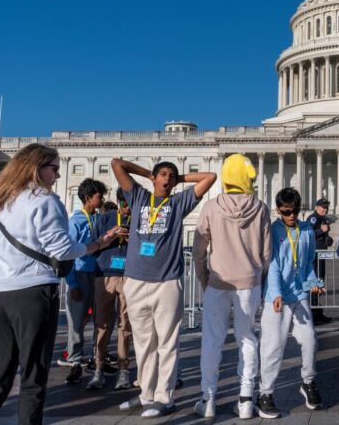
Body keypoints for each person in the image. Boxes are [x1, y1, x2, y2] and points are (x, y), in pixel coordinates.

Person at [0, 144, 119, 424]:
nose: (58, 175)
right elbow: (62, 250)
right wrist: (96, 244)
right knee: (33, 376)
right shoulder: (44, 200)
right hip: (33, 292)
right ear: (36, 168)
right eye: (54, 168)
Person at [111, 157, 216, 418]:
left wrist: (179, 179)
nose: (167, 179)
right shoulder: (138, 197)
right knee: (144, 342)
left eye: (171, 175)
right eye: (163, 175)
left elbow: (210, 177)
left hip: (167, 281)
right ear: (155, 178)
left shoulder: (179, 203)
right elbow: (116, 164)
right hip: (135, 279)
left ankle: (164, 397)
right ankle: (146, 393)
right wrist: (148, 173)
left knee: (167, 343)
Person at [193, 154, 272, 419]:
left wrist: (205, 278)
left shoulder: (211, 207)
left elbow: (199, 248)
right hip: (248, 283)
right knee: (247, 338)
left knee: (212, 340)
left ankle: (208, 398)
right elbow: (266, 253)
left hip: (217, 281)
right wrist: (257, 276)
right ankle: (246, 399)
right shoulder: (260, 207)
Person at [257, 187, 324, 419]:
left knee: (310, 340)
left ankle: (308, 381)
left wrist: (314, 282)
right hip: (277, 298)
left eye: (295, 210)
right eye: (286, 212)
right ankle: (265, 393)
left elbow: (307, 263)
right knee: (273, 347)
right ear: (278, 210)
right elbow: (273, 264)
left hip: (299, 295)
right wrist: (275, 293)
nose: (292, 216)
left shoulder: (306, 230)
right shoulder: (274, 231)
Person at [60, 178, 109, 385]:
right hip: (79, 275)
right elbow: (68, 253)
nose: (102, 198)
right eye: (99, 195)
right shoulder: (76, 221)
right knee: (76, 322)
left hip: (95, 274)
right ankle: (74, 362)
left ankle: (94, 358)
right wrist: (72, 284)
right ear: (88, 198)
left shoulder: (96, 218)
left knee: (96, 320)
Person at [87, 188, 134, 391]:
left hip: (128, 274)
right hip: (104, 274)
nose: (127, 209)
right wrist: (110, 234)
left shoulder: (139, 219)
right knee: (102, 324)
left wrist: (134, 239)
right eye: (124, 205)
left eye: (130, 205)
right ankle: (99, 368)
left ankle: (123, 369)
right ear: (118, 202)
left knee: (126, 324)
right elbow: (91, 245)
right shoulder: (104, 219)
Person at [306, 198, 333, 325]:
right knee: (314, 281)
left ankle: (317, 310)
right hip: (314, 255)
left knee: (320, 280)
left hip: (321, 254)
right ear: (316, 207)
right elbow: (308, 233)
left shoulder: (323, 219)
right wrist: (321, 231)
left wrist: (328, 239)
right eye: (322, 207)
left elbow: (322, 234)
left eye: (326, 207)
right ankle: (313, 312)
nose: (324, 209)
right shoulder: (313, 218)